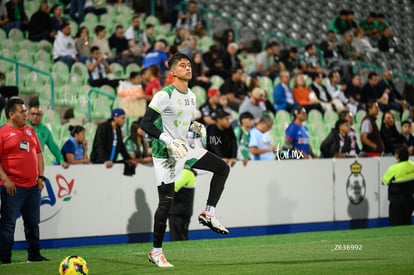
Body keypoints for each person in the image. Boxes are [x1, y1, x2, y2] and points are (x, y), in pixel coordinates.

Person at [140, 53, 230, 267]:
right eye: (182, 65)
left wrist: (194, 126)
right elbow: (145, 124)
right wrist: (168, 141)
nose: (188, 68)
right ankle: (156, 252)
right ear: (172, 72)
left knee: (222, 168)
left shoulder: (191, 95)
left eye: (189, 65)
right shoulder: (164, 95)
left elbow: (180, 121)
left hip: (184, 148)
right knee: (166, 202)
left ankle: (208, 213)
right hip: (164, 152)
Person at [0, 97, 49, 264]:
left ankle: (34, 255)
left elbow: (39, 154)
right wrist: (6, 180)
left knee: (33, 223)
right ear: (11, 114)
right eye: (22, 112)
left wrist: (41, 176)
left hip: (32, 186)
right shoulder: (2, 133)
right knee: (8, 225)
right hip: (12, 187)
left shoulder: (30, 131)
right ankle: (4, 258)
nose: (26, 115)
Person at [26, 102, 69, 169]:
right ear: (28, 115)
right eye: (33, 114)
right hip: (23, 162)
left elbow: (53, 147)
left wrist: (61, 160)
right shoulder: (21, 127)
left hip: (36, 163)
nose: (35, 116)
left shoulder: (45, 130)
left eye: (38, 114)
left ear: (41, 117)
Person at [381, 146, 414, 226]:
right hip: (410, 200)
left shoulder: (394, 168)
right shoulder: (412, 165)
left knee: (395, 224)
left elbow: (383, 181)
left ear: (397, 156)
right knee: (407, 223)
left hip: (397, 201)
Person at [168, 167, 197, 241]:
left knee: (177, 239)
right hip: (183, 211)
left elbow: (171, 189)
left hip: (178, 211)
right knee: (183, 238)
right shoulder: (189, 172)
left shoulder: (184, 172)